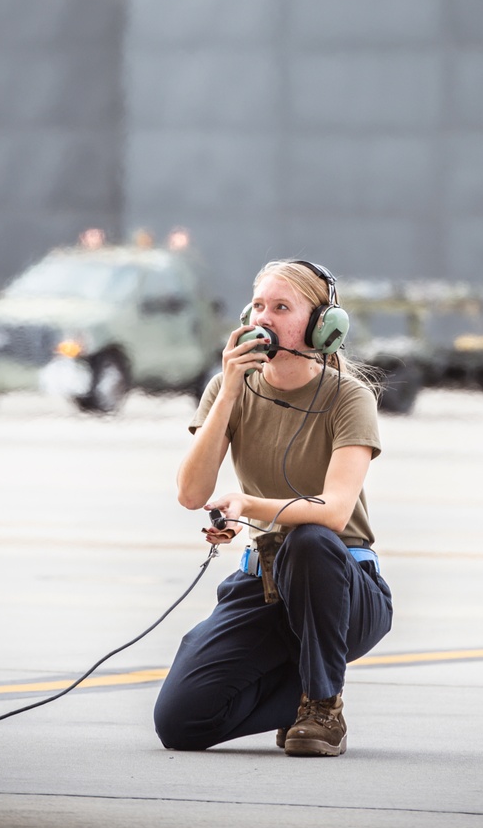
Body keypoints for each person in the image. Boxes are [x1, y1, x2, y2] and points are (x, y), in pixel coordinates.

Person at [153, 258, 393, 757]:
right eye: (258, 305)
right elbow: (191, 494)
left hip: (343, 587)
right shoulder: (229, 389)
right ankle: (300, 695)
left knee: (310, 540)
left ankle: (323, 707)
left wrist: (246, 503)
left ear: (322, 326)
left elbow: (332, 511)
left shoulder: (350, 397)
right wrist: (228, 395)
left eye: (281, 307)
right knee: (181, 722)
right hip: (264, 583)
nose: (264, 317)